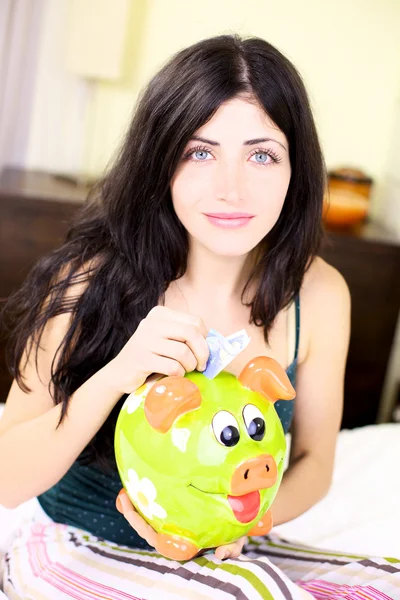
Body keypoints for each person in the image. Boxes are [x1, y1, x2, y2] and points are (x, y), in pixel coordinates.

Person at [0, 33, 350, 599]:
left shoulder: (320, 295)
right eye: (199, 152)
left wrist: (244, 524)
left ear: (296, 170)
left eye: (261, 155)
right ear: (160, 162)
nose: (230, 189)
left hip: (233, 551)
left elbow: (314, 464)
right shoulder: (88, 281)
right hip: (77, 544)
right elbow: (7, 479)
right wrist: (118, 373)